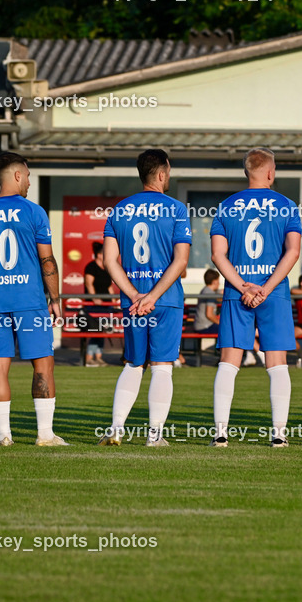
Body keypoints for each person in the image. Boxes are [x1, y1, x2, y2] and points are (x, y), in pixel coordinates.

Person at [0, 152, 66, 446]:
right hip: (29, 300)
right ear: (18, 175)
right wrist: (56, 298)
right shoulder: (34, 212)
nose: (30, 183)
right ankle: (45, 435)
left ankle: (4, 436)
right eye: (28, 176)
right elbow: (46, 260)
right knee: (43, 364)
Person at [98, 149, 191, 447]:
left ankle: (116, 429)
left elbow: (109, 261)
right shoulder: (176, 209)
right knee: (162, 366)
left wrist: (137, 295)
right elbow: (180, 262)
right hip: (165, 300)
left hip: (133, 302)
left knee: (133, 364)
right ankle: (155, 436)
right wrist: (153, 295)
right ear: (162, 174)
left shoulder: (118, 210)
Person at [209, 148, 302, 447]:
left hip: (238, 293)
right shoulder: (286, 205)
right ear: (271, 173)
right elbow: (293, 251)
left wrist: (242, 286)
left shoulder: (225, 207)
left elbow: (217, 255)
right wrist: (266, 287)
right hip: (273, 293)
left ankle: (221, 434)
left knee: (229, 362)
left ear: (247, 172)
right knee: (277, 362)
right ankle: (279, 434)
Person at [83, 241, 112, 367]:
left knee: (103, 331)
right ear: (99, 254)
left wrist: (115, 301)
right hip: (94, 306)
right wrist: (94, 298)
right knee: (96, 330)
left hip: (106, 305)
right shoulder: (91, 266)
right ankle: (89, 358)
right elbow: (89, 283)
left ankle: (98, 357)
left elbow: (109, 286)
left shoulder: (107, 267)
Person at [193, 269, 221, 336]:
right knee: (227, 330)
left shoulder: (205, 290)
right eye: (218, 281)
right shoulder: (210, 293)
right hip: (205, 326)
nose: (219, 283)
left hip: (199, 325)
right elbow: (209, 315)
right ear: (214, 282)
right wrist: (219, 322)